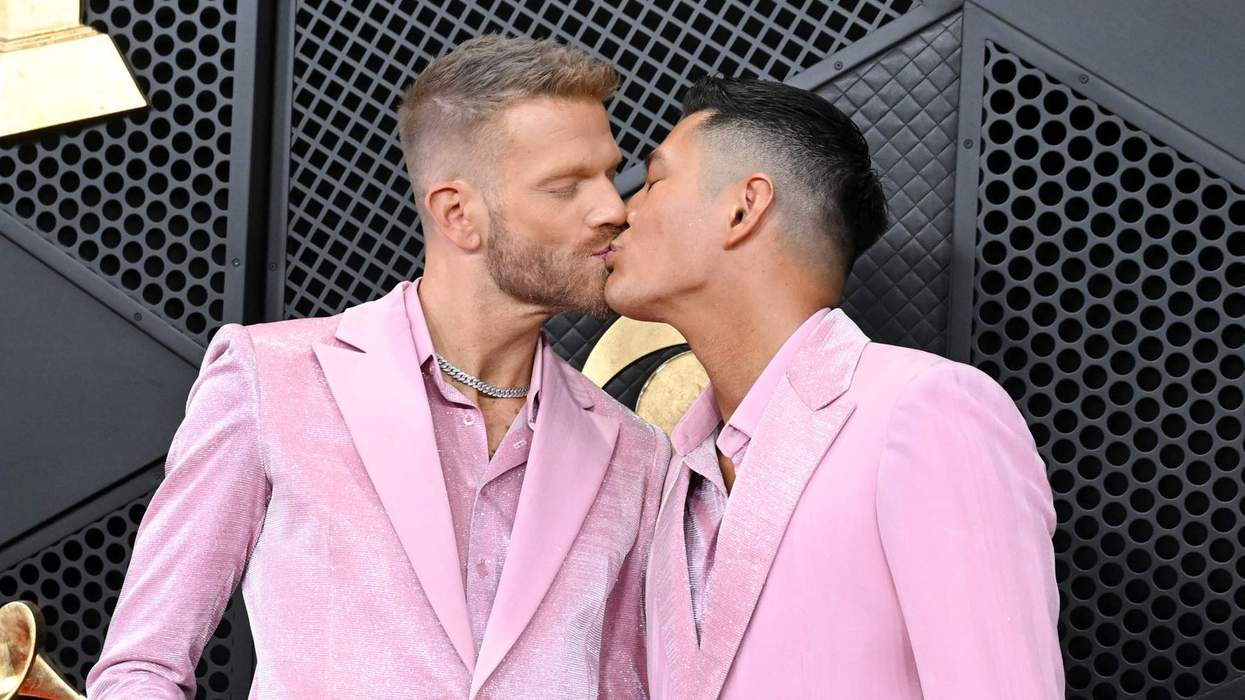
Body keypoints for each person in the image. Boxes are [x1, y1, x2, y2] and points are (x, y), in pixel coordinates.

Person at [88, 35, 669, 699]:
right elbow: (142, 668)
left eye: (607, 174)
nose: (612, 209)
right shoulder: (272, 378)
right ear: (458, 215)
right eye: (566, 187)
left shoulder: (635, 453)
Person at [603, 76, 1063, 699]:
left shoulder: (925, 409)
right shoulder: (671, 473)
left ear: (743, 207)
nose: (621, 211)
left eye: (654, 181)